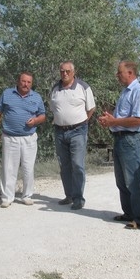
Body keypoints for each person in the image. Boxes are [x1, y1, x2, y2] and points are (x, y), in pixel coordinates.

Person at [98, 61, 140, 229]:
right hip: (120, 138)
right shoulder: (125, 92)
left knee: (134, 181)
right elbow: (123, 118)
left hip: (130, 139)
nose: (117, 75)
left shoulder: (138, 91)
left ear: (130, 73)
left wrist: (115, 120)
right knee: (121, 180)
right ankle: (129, 213)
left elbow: (138, 119)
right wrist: (110, 120)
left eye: (119, 72)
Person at [0, 71, 46, 208]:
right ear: (18, 81)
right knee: (8, 168)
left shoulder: (36, 97)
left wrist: (35, 120)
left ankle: (27, 196)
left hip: (29, 138)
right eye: (23, 81)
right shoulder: (7, 94)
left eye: (29, 82)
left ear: (31, 84)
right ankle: (7, 197)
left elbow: (43, 116)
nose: (26, 84)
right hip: (10, 137)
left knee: (28, 168)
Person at [49, 61, 95, 210]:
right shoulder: (55, 89)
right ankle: (69, 195)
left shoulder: (83, 87)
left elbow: (91, 108)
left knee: (77, 164)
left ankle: (78, 198)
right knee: (64, 165)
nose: (65, 74)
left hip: (78, 131)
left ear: (73, 72)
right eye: (62, 71)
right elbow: (53, 108)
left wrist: (81, 123)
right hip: (59, 131)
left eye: (68, 71)